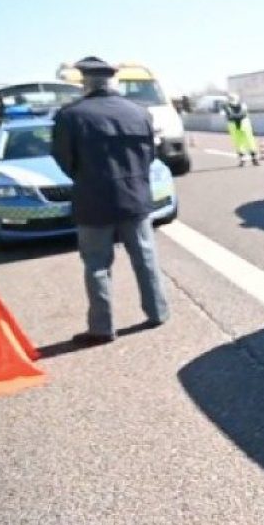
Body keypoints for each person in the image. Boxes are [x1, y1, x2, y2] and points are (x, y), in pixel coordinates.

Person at [52, 56, 169, 346]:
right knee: (146, 258)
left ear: (84, 82)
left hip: (93, 201)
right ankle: (158, 313)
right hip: (135, 198)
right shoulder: (140, 112)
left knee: (97, 265)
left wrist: (88, 177)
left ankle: (102, 328)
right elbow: (150, 155)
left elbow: (63, 159)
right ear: (112, 80)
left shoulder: (70, 115)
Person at [222, 93, 259, 166]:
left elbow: (228, 115)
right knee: (245, 141)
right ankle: (250, 159)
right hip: (241, 124)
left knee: (243, 141)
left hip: (237, 124)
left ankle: (248, 159)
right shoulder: (241, 105)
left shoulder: (228, 106)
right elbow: (244, 114)